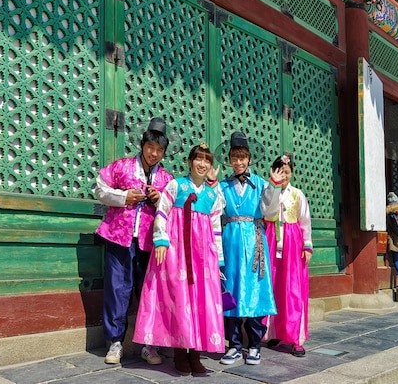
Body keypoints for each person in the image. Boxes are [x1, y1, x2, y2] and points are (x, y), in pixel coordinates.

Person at [132, 143, 226, 375]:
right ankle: (179, 355)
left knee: (199, 301)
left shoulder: (212, 195)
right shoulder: (175, 185)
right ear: (189, 162)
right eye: (198, 159)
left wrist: (219, 261)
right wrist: (161, 241)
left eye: (207, 161)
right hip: (176, 252)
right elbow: (162, 213)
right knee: (179, 298)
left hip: (202, 257)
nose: (202, 164)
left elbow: (216, 229)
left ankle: (195, 355)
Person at [94, 117, 174, 365]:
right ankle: (115, 343)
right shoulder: (121, 167)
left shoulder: (167, 179)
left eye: (159, 150)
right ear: (142, 144)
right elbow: (99, 189)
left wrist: (158, 198)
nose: (154, 153)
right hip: (119, 237)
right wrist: (124, 196)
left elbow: (173, 208)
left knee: (150, 292)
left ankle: (149, 344)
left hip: (151, 242)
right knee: (117, 289)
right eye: (151, 147)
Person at [218, 131, 284, 366]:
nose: (238, 162)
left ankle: (254, 345)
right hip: (231, 240)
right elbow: (216, 211)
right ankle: (234, 345)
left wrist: (275, 186)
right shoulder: (222, 185)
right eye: (234, 157)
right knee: (231, 289)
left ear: (249, 159)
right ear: (229, 160)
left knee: (256, 290)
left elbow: (270, 212)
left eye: (242, 157)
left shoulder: (261, 184)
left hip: (255, 240)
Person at [263, 154, 312, 357]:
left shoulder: (297, 194)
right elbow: (267, 213)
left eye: (286, 172)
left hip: (292, 242)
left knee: (293, 288)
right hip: (271, 239)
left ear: (292, 173)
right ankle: (274, 332)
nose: (283, 175)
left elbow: (305, 220)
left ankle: (295, 338)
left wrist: (307, 246)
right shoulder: (268, 191)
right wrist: (273, 188)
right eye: (279, 171)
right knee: (273, 285)